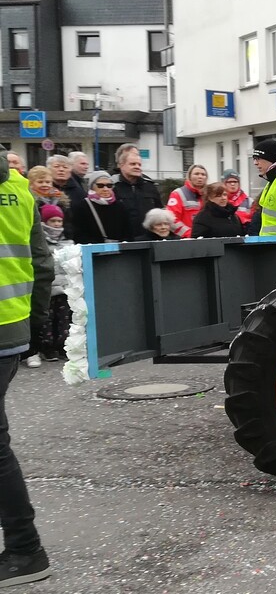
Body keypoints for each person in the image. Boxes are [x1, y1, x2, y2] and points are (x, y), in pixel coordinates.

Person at [0, 152, 54, 587]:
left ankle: (24, 550)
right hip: (11, 329)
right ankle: (23, 548)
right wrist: (34, 326)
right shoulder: (19, 186)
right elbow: (41, 262)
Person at [33, 204, 71, 363]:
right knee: (46, 319)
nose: (56, 224)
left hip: (63, 288)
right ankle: (46, 347)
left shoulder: (68, 242)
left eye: (59, 221)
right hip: (47, 288)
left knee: (64, 318)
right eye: (52, 220)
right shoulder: (40, 242)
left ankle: (62, 344)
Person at [110, 144, 163, 239]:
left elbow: (159, 211)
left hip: (149, 240)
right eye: (132, 164)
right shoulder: (112, 186)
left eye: (139, 164)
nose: (137, 167)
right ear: (121, 165)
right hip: (123, 240)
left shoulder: (150, 186)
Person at [71, 171, 130, 244]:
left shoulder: (120, 206)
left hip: (119, 251)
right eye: (100, 185)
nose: (105, 189)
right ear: (92, 187)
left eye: (109, 185)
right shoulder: (83, 206)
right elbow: (79, 234)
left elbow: (128, 232)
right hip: (93, 251)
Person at [167, 165, 207, 238]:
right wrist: (190, 234)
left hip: (206, 239)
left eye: (203, 174)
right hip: (185, 241)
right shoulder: (177, 194)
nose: (200, 177)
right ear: (189, 176)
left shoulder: (209, 195)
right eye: (196, 174)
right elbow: (172, 221)